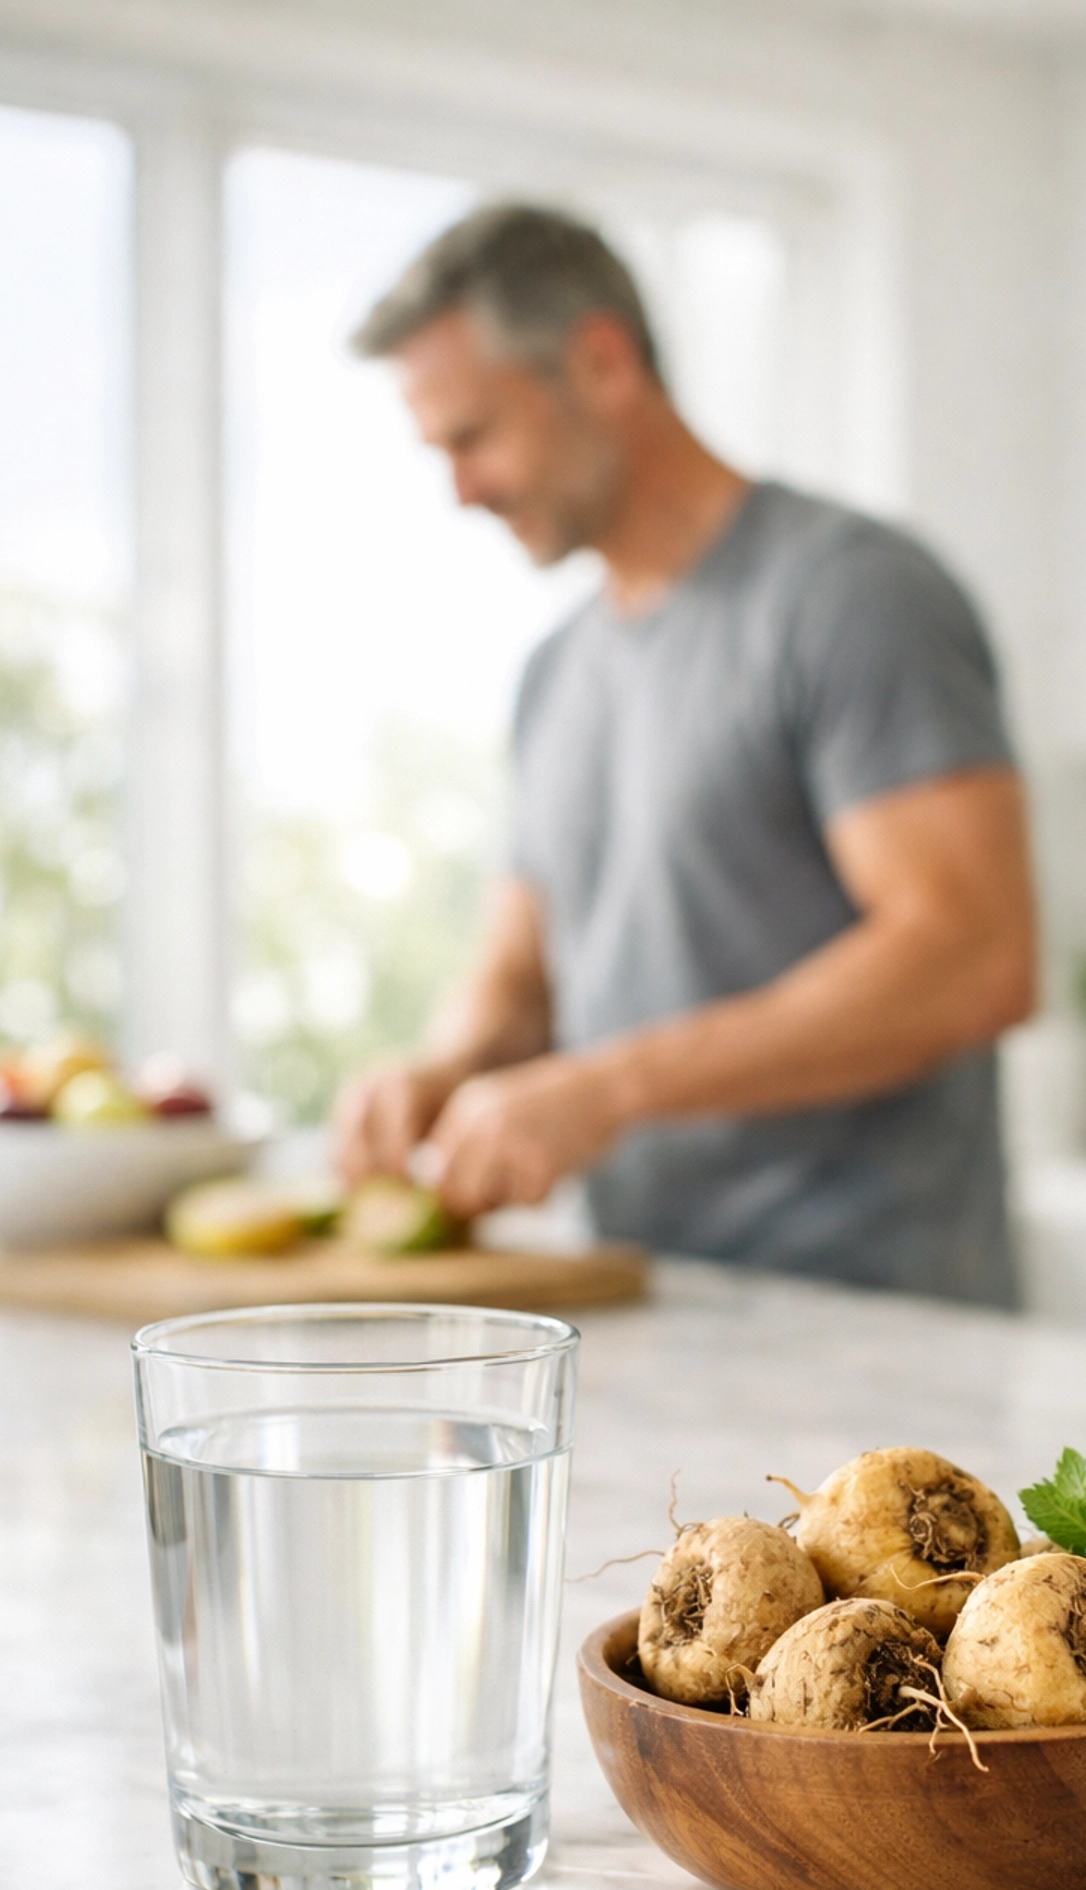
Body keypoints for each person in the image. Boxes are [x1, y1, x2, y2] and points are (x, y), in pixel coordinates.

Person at [335, 205, 1036, 1302]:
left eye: (474, 438)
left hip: (872, 1317)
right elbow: (522, 980)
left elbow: (972, 955)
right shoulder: (557, 673)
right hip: (647, 1297)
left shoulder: (849, 596)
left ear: (601, 364)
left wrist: (611, 1087)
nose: (460, 492)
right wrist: (450, 1069)